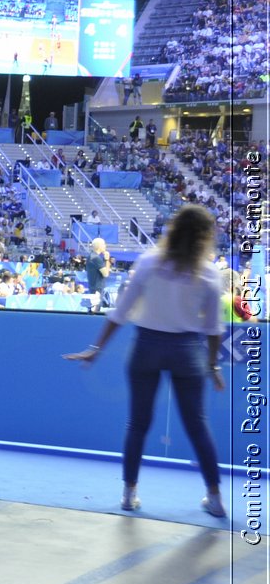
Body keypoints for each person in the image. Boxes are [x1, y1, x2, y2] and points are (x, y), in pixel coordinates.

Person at [65, 204, 227, 518]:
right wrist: (213, 366)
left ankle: (128, 494)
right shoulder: (209, 273)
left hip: (147, 347)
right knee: (197, 426)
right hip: (188, 351)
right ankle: (216, 498)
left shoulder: (149, 263)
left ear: (173, 229)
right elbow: (213, 329)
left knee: (138, 424)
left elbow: (120, 313)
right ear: (204, 238)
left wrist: (95, 348)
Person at [85, 237, 110, 310]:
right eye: (104, 244)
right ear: (100, 246)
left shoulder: (91, 256)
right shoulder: (96, 258)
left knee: (92, 309)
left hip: (93, 286)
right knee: (95, 310)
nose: (105, 246)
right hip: (97, 288)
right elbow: (106, 274)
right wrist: (107, 259)